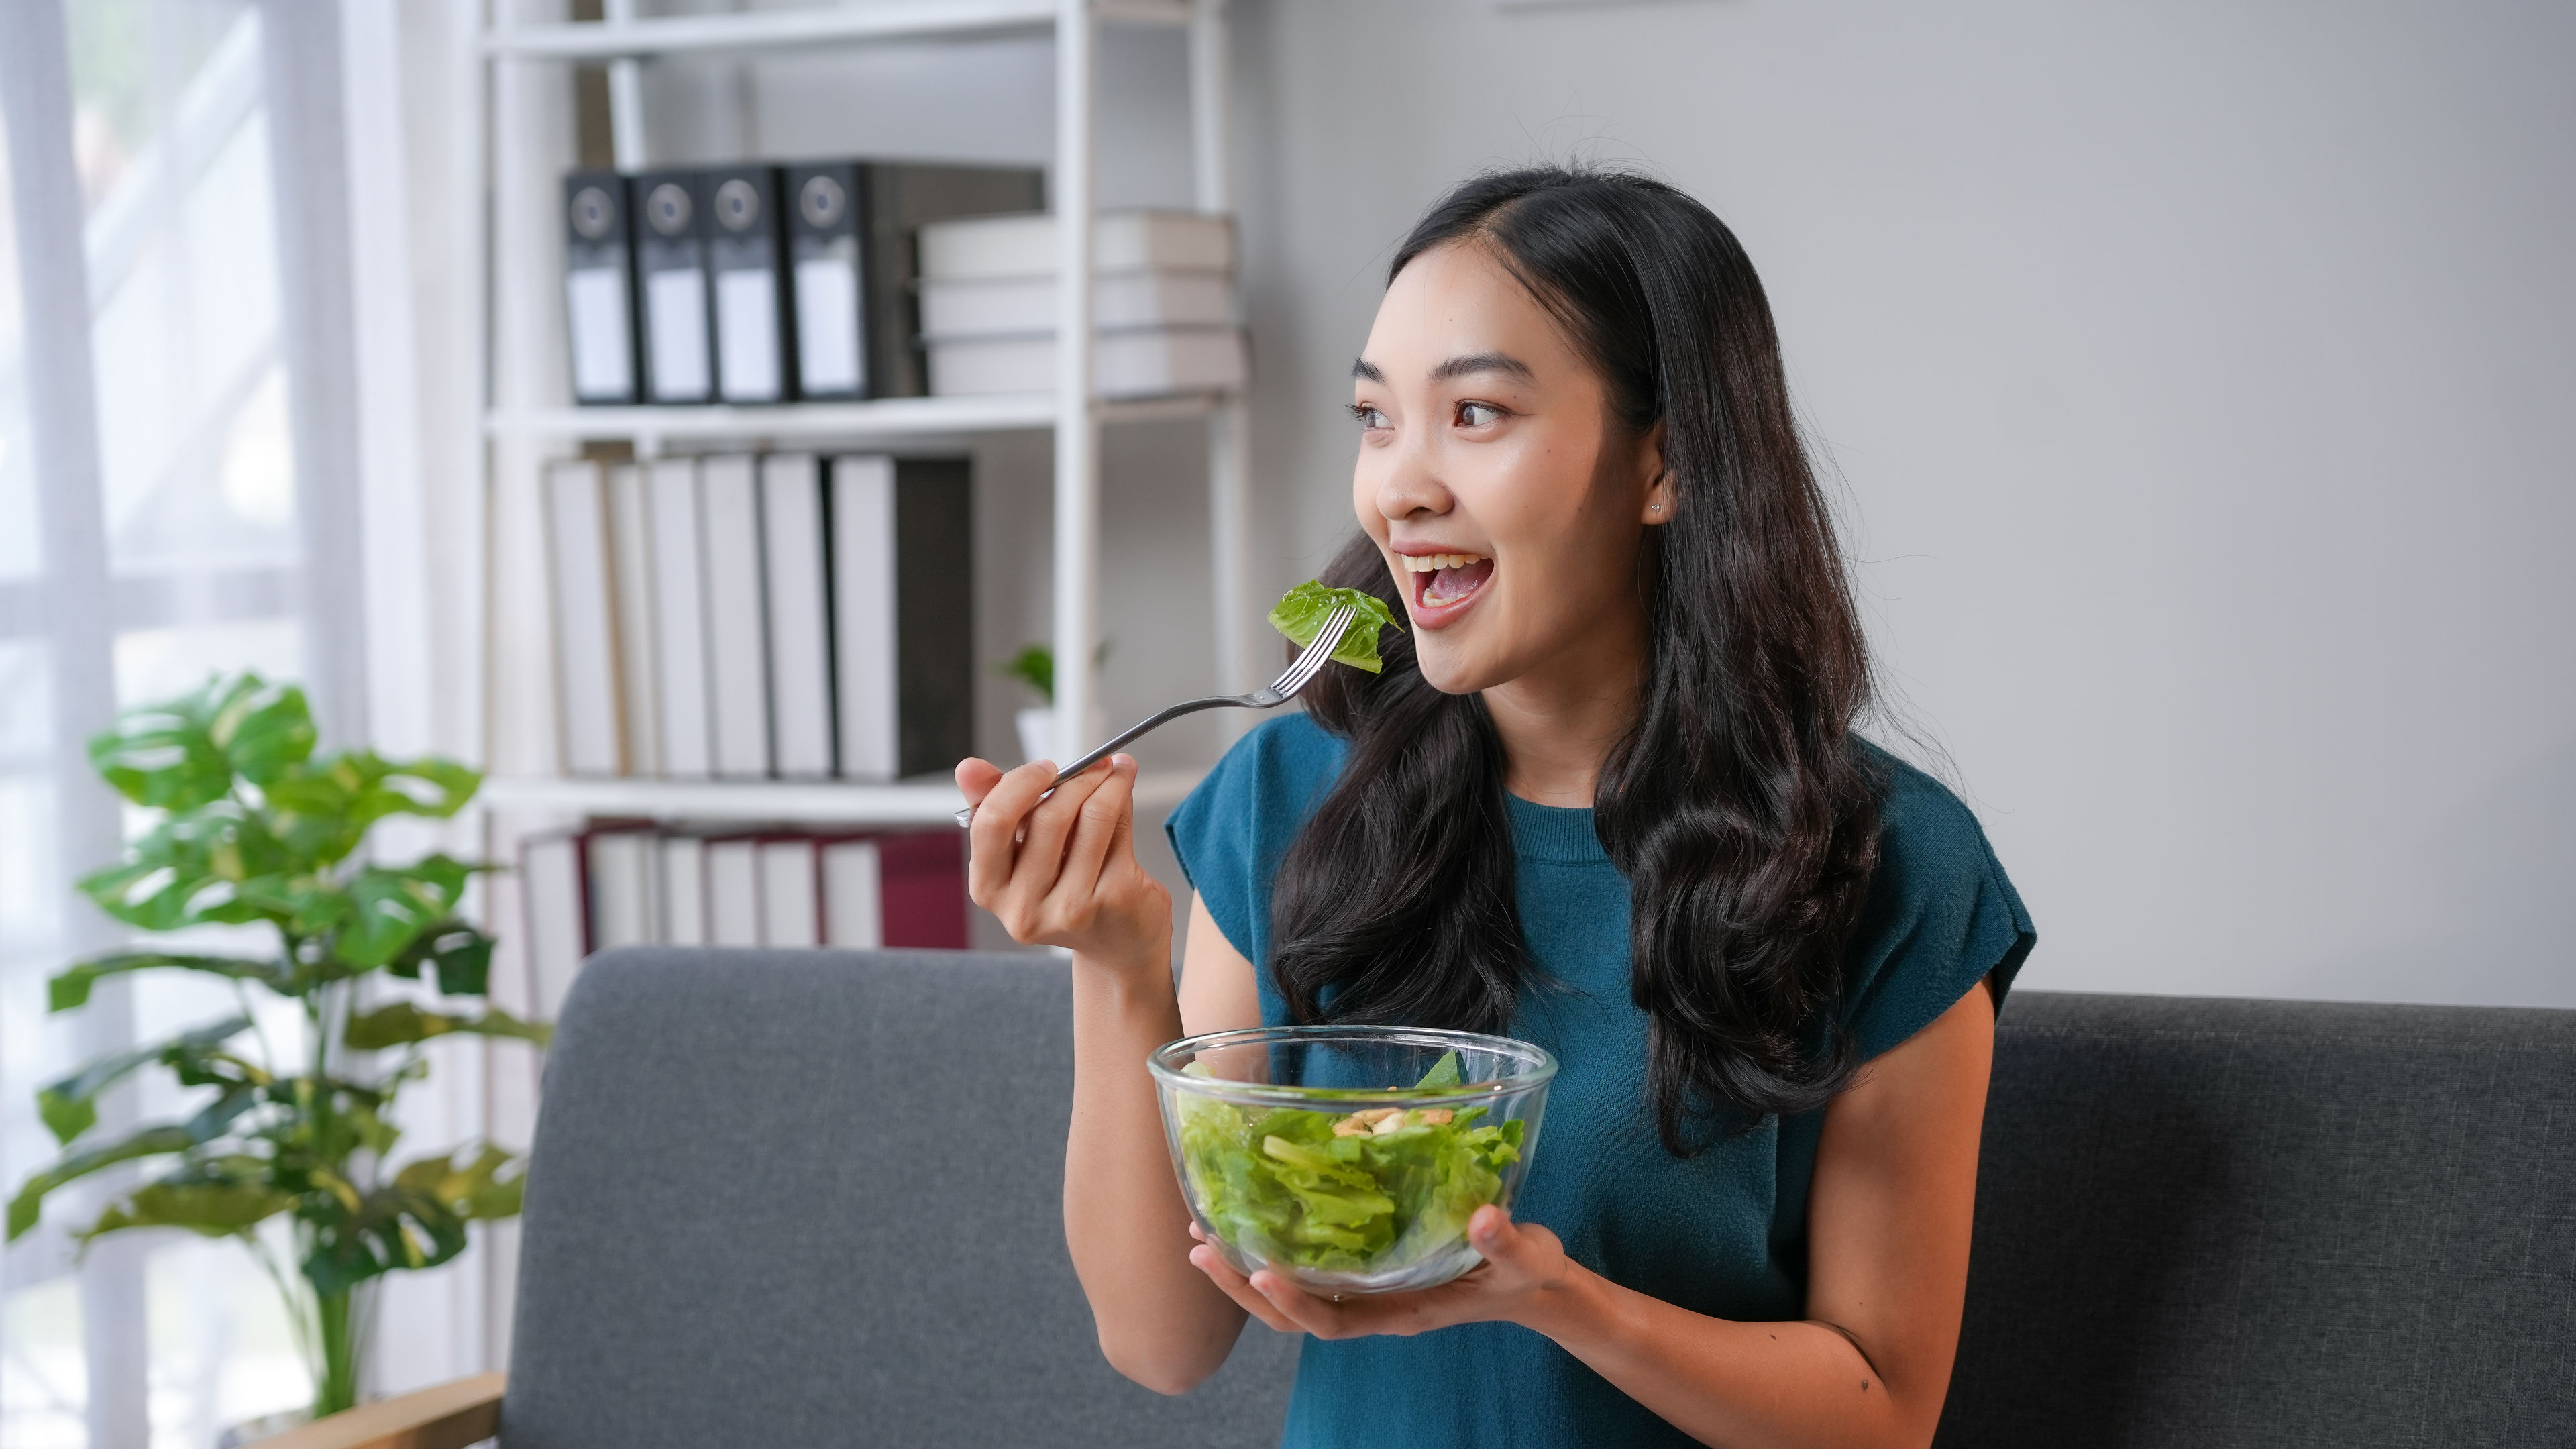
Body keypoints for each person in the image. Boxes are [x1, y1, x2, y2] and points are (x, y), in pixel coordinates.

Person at [954, 165, 2035, 1449]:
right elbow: (1162, 1341)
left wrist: (1562, 1303)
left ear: (1664, 463)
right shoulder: (1288, 799)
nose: (1399, 489)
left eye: (1474, 414)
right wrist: (1116, 964)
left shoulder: (1889, 862)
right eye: (1376, 418)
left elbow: (1884, 1411)